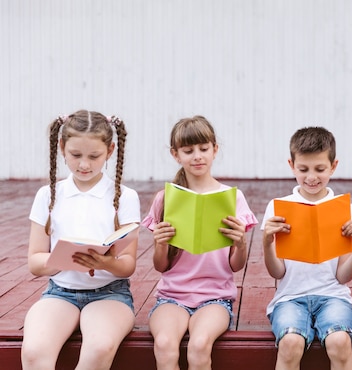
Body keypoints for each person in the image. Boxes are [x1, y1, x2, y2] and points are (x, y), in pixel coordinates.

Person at [22, 110, 140, 370]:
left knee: (98, 349)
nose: (84, 164)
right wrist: (66, 259)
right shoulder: (48, 195)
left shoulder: (125, 196)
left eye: (94, 156)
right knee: (34, 352)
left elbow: (128, 264)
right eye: (76, 155)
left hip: (110, 294)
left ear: (110, 151)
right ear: (62, 147)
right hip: (59, 293)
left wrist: (103, 262)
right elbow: (34, 261)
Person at [142, 115, 258, 370]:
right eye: (188, 150)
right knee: (163, 343)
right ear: (176, 154)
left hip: (215, 298)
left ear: (214, 150)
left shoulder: (232, 198)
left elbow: (235, 267)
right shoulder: (165, 199)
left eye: (203, 149)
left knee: (199, 344)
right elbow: (161, 267)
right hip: (171, 297)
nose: (197, 156)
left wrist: (240, 243)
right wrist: (160, 243)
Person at [261, 126, 352, 370]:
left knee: (340, 342)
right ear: (292, 165)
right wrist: (267, 242)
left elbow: (343, 276)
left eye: (320, 169)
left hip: (333, 297)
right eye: (303, 169)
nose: (312, 177)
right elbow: (277, 272)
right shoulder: (278, 207)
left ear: (333, 166)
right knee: (290, 342)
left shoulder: (347, 211)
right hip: (290, 298)